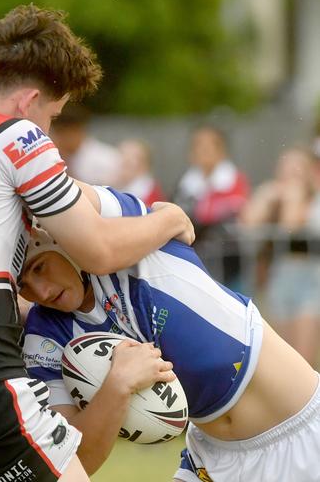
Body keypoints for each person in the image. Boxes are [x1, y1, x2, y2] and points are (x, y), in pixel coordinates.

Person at [0, 4, 194, 482]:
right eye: (53, 116)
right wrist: (167, 219)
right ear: (29, 101)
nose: (49, 132)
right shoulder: (14, 135)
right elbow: (98, 248)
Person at [18, 185, 320, 481]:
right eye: (23, 286)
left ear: (61, 242)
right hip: (213, 458)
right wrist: (118, 385)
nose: (40, 292)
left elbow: (47, 180)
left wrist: (173, 216)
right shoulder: (43, 335)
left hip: (304, 433)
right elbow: (75, 460)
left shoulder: (129, 237)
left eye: (40, 268)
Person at [241, 145, 320, 367]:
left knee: (305, 361)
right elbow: (248, 223)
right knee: (286, 360)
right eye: (286, 166)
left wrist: (291, 197)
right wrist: (266, 197)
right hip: (280, 278)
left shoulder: (313, 202)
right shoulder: (274, 195)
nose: (290, 173)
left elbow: (291, 225)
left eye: (297, 167)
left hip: (311, 280)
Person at [172, 125, 250, 290]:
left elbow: (219, 212)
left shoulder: (233, 180)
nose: (202, 151)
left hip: (228, 261)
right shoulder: (186, 182)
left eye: (209, 146)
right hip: (195, 259)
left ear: (222, 150)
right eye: (198, 145)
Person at [50, 103, 122, 186]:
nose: (57, 139)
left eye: (60, 133)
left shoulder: (106, 159)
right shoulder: (55, 157)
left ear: (76, 131)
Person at [116, 138, 165, 206]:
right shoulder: (119, 186)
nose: (123, 159)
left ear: (144, 165)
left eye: (131, 158)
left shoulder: (148, 194)